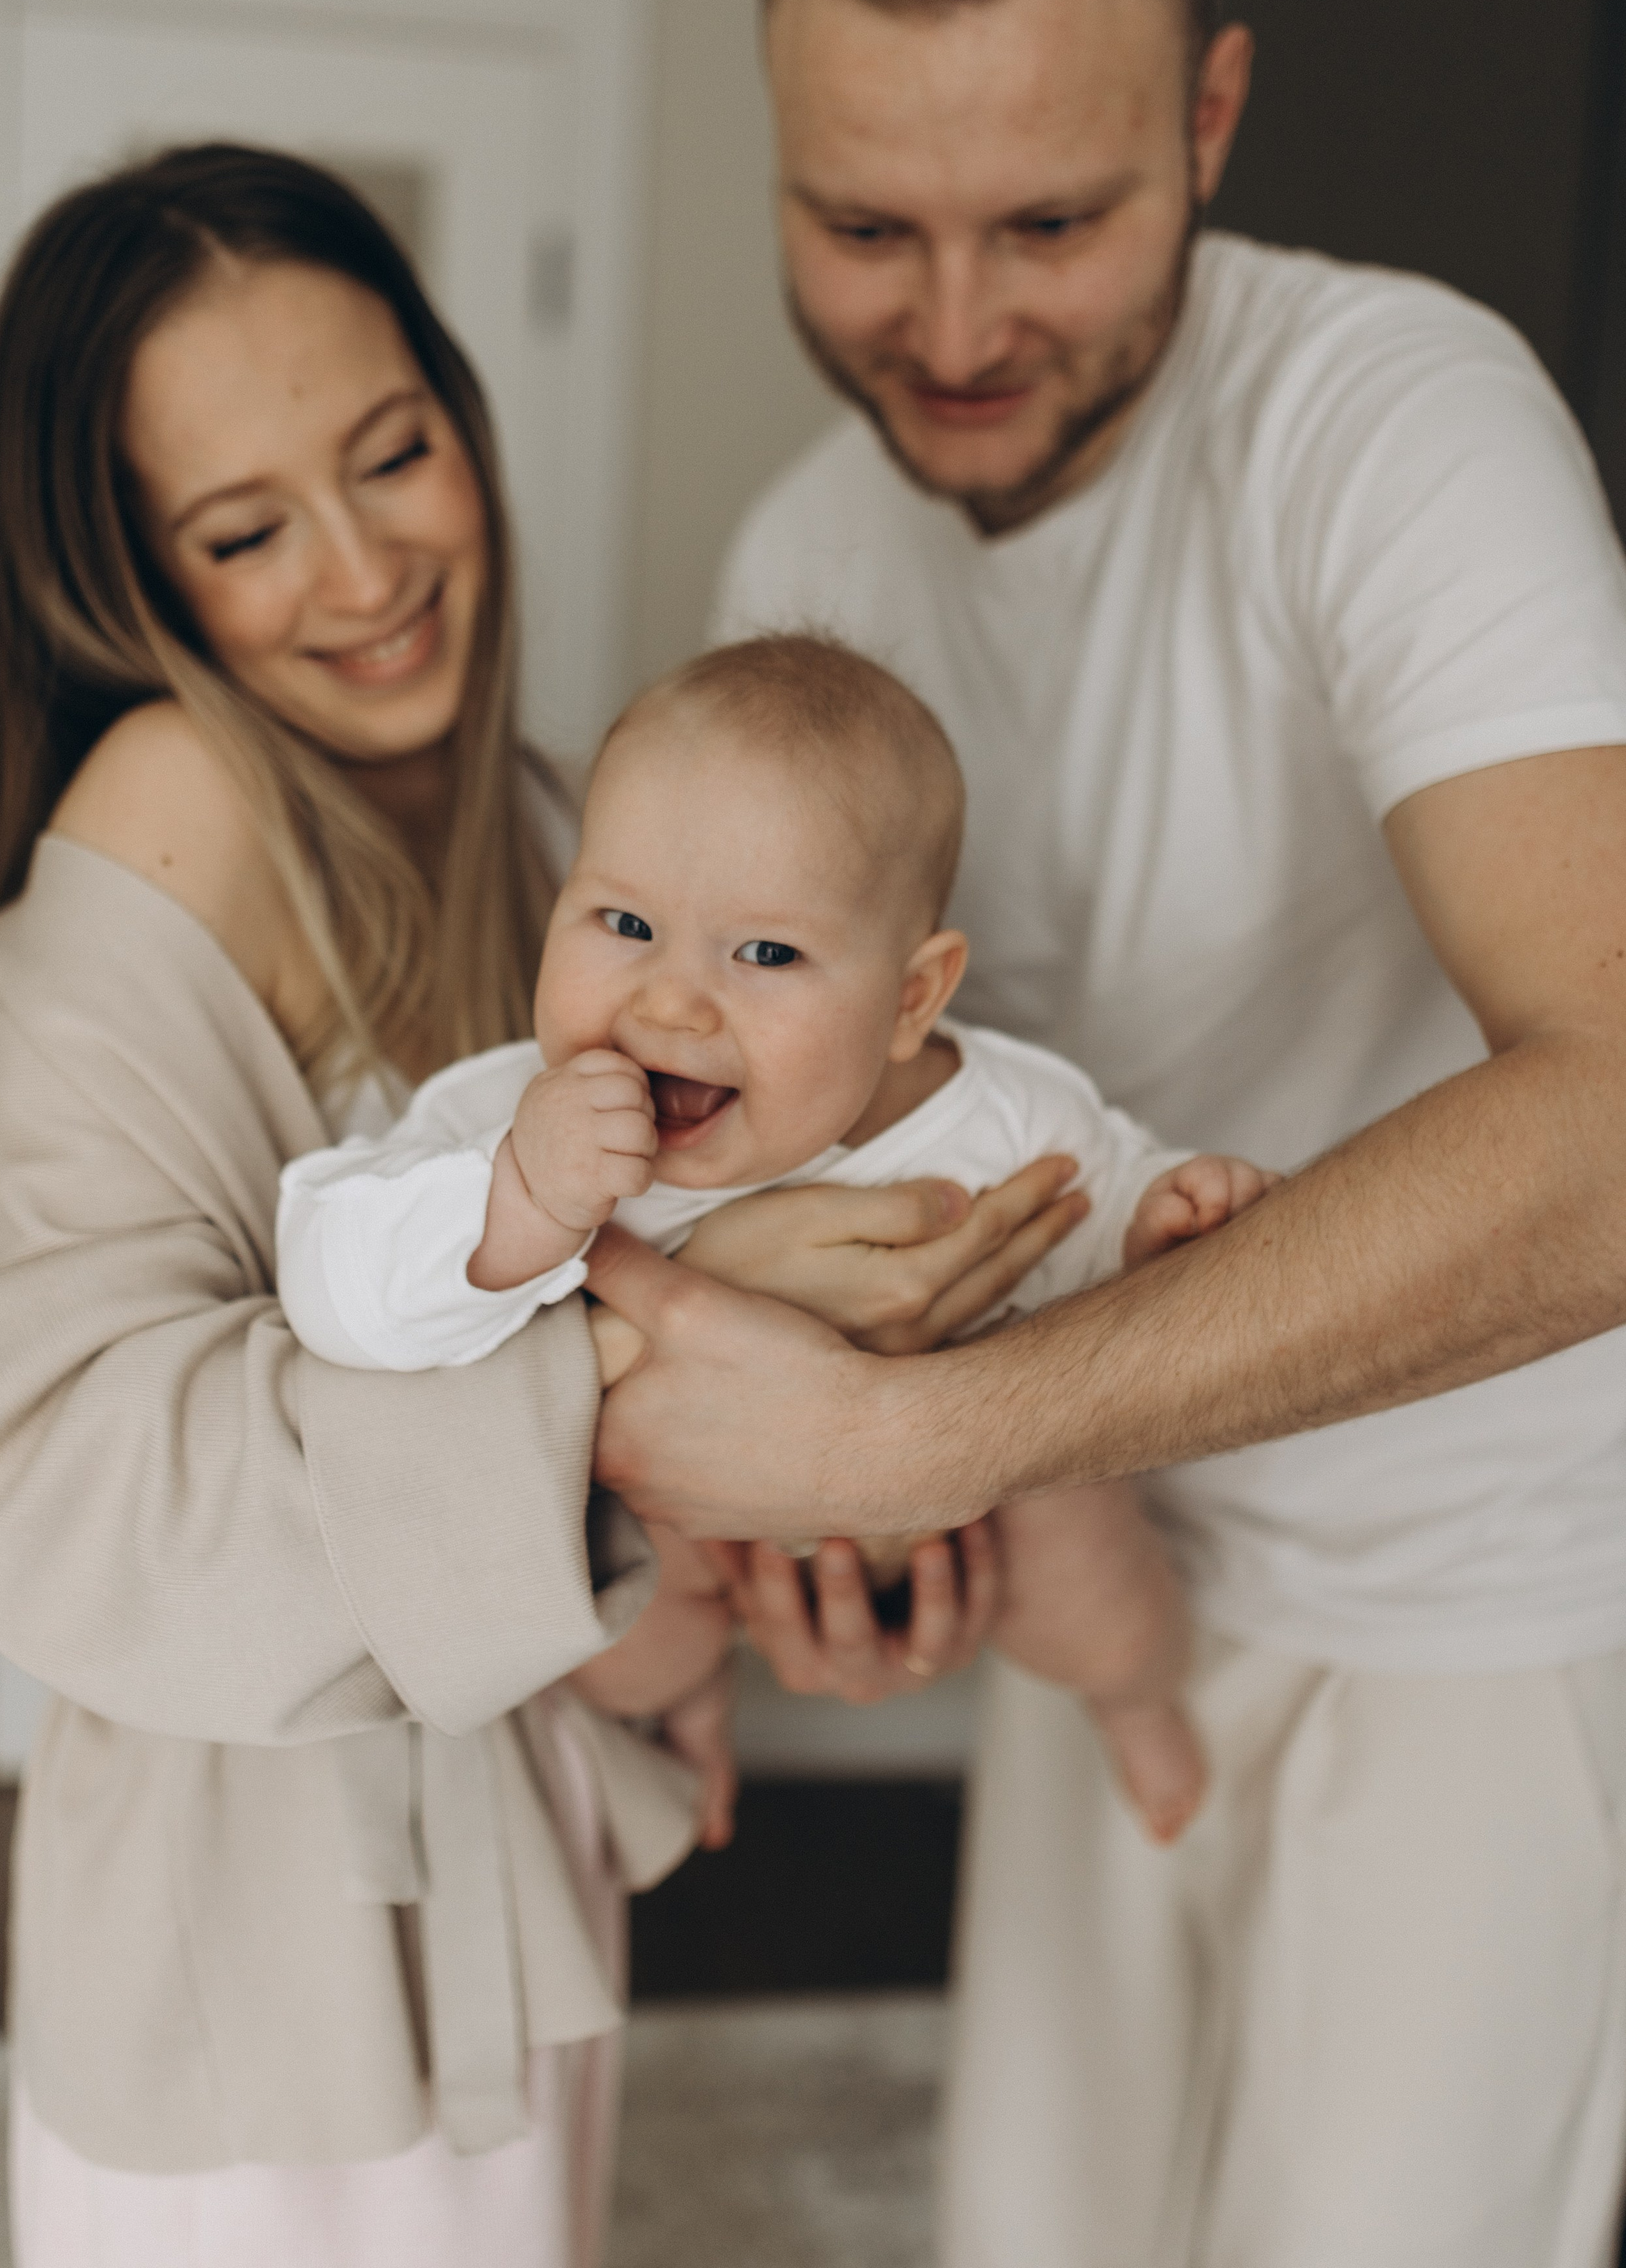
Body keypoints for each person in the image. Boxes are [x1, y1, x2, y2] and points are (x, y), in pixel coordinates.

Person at [586, 0, 1626, 2266]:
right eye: (860, 225)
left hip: (1485, 1592)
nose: (952, 326)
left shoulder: (1395, 424)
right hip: (1109, 1557)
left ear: (1216, 117)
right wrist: (859, 1505)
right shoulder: (811, 539)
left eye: (1050, 220)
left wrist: (894, 1435)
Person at [0, 146, 1065, 2267]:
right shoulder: (181, 808)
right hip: (261, 1917)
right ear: (133, 574)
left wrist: (788, 1522)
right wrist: (632, 1387)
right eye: (244, 530)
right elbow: (41, 1464)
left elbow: (669, 1377)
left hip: (508, 1833)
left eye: (392, 453)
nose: (363, 569)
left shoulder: (554, 842)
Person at [276, 632, 1274, 1843]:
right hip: (681, 1509)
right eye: (624, 922)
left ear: (912, 999)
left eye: (766, 953)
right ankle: (688, 1697)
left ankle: (1134, 1700)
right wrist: (512, 1204)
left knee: (1094, 1561)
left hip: (963, 1494)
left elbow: (1101, 1198)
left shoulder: (1002, 1115)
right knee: (609, 1643)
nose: (670, 1001)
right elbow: (327, 1281)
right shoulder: (508, 1125)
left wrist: (1164, 1217)